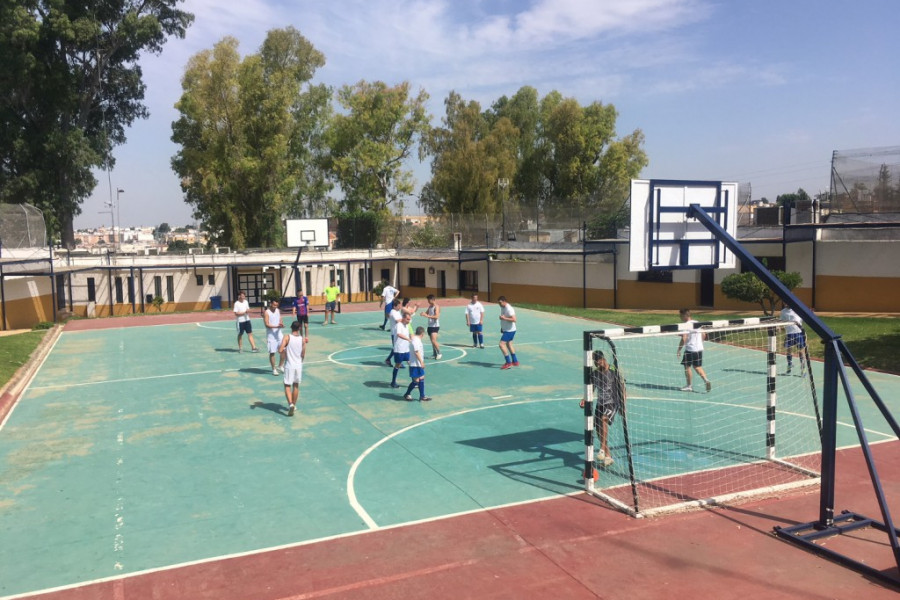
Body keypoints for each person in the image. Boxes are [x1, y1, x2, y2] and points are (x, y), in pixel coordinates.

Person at [579, 350, 626, 467]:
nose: (596, 364)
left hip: (613, 402)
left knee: (604, 419)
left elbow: (622, 388)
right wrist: (584, 399)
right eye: (595, 362)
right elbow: (592, 388)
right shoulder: (595, 374)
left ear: (603, 359)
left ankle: (601, 449)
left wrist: (623, 405)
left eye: (598, 361)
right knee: (600, 430)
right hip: (600, 403)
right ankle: (608, 456)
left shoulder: (613, 371)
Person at [676, 308, 712, 392]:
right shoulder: (697, 323)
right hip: (699, 349)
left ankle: (689, 385)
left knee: (687, 366)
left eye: (681, 316)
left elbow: (684, 338)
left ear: (684, 316)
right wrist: (700, 343)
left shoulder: (686, 325)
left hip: (690, 349)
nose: (680, 317)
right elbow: (704, 334)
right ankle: (706, 380)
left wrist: (679, 349)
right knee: (697, 366)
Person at [277, 321, 306, 417]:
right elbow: (303, 354)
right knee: (296, 385)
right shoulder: (302, 339)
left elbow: (280, 350)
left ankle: (290, 404)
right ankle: (294, 404)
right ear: (299, 328)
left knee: (287, 385)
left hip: (289, 365)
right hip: (298, 365)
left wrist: (284, 350)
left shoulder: (287, 337)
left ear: (291, 327)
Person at [404, 326, 431, 402]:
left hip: (417, 364)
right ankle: (407, 394)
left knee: (422, 377)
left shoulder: (415, 339)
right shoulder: (416, 341)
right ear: (422, 334)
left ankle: (422, 396)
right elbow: (416, 352)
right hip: (415, 364)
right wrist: (422, 362)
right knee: (416, 381)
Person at [781, 303, 806, 375]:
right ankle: (789, 365)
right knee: (789, 351)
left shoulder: (797, 309)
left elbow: (801, 319)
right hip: (789, 334)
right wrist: (780, 328)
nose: (786, 303)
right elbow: (782, 322)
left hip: (798, 333)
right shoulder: (783, 311)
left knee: (801, 352)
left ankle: (803, 369)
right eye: (784, 302)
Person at [390, 313, 413, 389]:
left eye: (409, 319)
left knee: (410, 363)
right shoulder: (399, 325)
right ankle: (393, 382)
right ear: (403, 318)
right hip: (399, 349)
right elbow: (399, 334)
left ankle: (414, 380)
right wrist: (408, 339)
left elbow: (409, 335)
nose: (409, 321)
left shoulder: (406, 325)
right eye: (407, 319)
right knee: (397, 365)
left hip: (406, 349)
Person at [264, 299, 286, 376]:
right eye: (274, 305)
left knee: (284, 350)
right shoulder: (267, 312)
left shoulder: (277, 310)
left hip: (279, 334)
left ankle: (280, 366)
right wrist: (276, 326)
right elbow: (266, 324)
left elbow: (280, 319)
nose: (275, 307)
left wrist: (281, 324)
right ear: (270, 304)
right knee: (272, 352)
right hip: (271, 335)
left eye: (276, 305)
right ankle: (274, 369)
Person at [497, 296, 519, 369]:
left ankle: (508, 362)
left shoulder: (509, 309)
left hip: (510, 330)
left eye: (500, 302)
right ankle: (515, 361)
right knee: (509, 344)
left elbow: (514, 319)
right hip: (507, 329)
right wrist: (502, 327)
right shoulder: (502, 307)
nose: (499, 304)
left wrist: (504, 318)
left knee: (501, 344)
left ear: (504, 301)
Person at [419, 294, 441, 359]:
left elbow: (436, 316)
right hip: (430, 325)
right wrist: (423, 313)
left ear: (433, 300)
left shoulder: (436, 307)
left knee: (434, 341)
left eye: (428, 300)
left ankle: (439, 353)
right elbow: (427, 313)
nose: (428, 301)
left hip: (435, 326)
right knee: (432, 341)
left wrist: (427, 316)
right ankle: (434, 354)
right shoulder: (430, 306)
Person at [384, 298, 403, 366]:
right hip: (394, 333)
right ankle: (391, 360)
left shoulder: (397, 312)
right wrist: (405, 319)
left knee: (398, 347)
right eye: (398, 306)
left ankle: (391, 360)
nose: (400, 307)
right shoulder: (392, 312)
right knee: (396, 348)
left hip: (399, 332)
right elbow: (398, 320)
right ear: (394, 306)